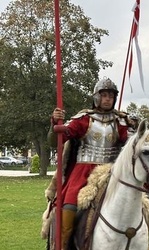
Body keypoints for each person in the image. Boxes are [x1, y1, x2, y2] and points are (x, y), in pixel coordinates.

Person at [48, 78, 129, 249]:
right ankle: (63, 244)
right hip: (82, 172)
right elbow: (55, 141)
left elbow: (133, 143)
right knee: (69, 206)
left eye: (111, 96)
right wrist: (55, 123)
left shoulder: (121, 122)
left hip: (110, 172)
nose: (108, 99)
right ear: (96, 97)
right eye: (104, 95)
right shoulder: (84, 119)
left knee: (137, 203)